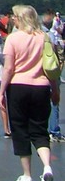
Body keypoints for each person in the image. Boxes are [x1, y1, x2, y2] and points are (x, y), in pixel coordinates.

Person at [0, 5, 59, 181]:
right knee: (39, 130)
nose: (13, 19)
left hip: (18, 87)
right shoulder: (45, 37)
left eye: (15, 17)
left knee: (20, 130)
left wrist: (2, 91)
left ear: (22, 18)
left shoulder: (13, 39)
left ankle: (27, 176)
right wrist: (55, 89)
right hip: (41, 87)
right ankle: (47, 167)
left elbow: (9, 68)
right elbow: (51, 65)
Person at [41, 9, 64, 142]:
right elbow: (55, 53)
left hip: (37, 74)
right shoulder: (50, 35)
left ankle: (42, 129)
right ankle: (54, 130)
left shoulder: (36, 34)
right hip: (50, 71)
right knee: (54, 101)